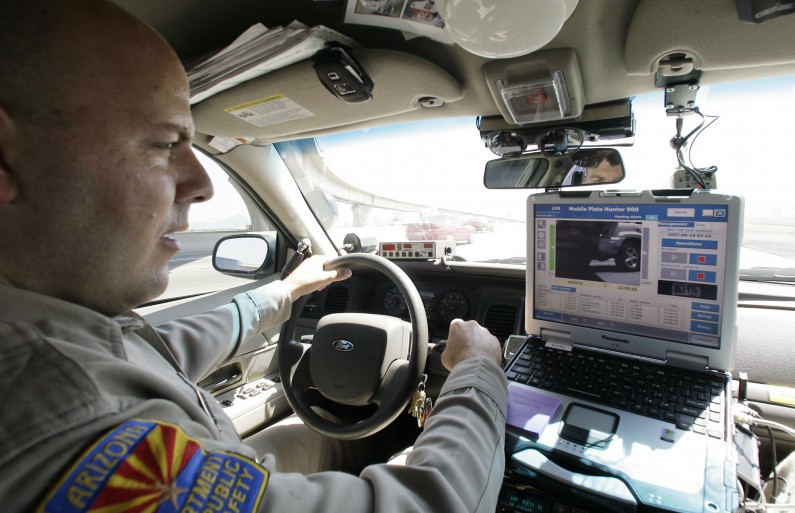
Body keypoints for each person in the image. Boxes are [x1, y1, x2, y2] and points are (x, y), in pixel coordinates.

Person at [0, 1, 508, 512]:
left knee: (321, 442)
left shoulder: (61, 332)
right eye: (164, 143)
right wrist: (478, 369)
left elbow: (160, 354)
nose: (201, 185)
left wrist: (286, 292)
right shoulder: (73, 419)